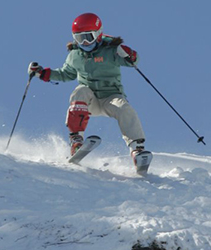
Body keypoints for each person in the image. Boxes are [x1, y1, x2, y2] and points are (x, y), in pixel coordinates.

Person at [28, 12, 147, 164]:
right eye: (79, 38)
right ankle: (76, 140)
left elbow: (132, 62)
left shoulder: (111, 50)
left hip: (111, 97)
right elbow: (66, 73)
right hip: (89, 99)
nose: (84, 42)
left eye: (88, 37)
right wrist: (42, 73)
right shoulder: (75, 55)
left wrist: (130, 55)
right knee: (80, 91)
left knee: (124, 108)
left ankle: (137, 149)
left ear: (97, 34)